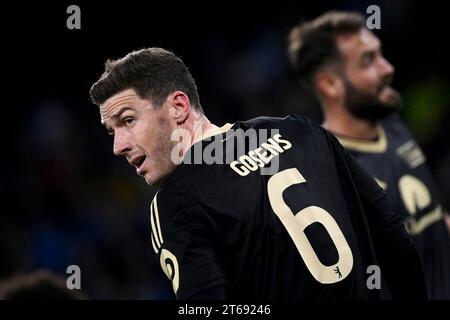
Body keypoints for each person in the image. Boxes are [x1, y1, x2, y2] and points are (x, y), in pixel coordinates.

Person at [89, 47, 426, 299]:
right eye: (111, 131)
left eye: (128, 121)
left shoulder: (175, 202)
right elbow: (396, 241)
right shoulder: (302, 132)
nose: (118, 145)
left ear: (178, 107)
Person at [287, 10, 450, 299]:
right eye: (368, 61)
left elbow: (431, 220)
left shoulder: (394, 126)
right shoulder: (328, 173)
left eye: (380, 55)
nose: (388, 69)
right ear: (330, 84)